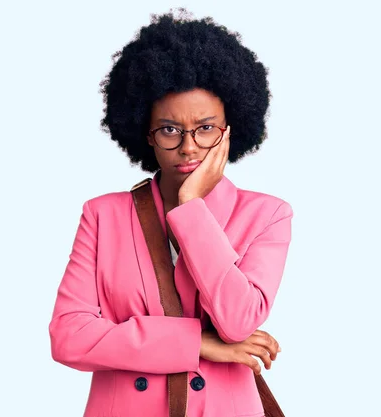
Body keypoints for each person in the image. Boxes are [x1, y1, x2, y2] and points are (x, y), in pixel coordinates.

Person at [48, 9, 293, 417]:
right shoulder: (102, 215)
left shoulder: (267, 215)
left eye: (206, 128)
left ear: (231, 129)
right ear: (146, 134)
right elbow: (68, 337)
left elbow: (237, 321)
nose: (189, 147)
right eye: (169, 130)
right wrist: (197, 343)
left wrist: (191, 207)